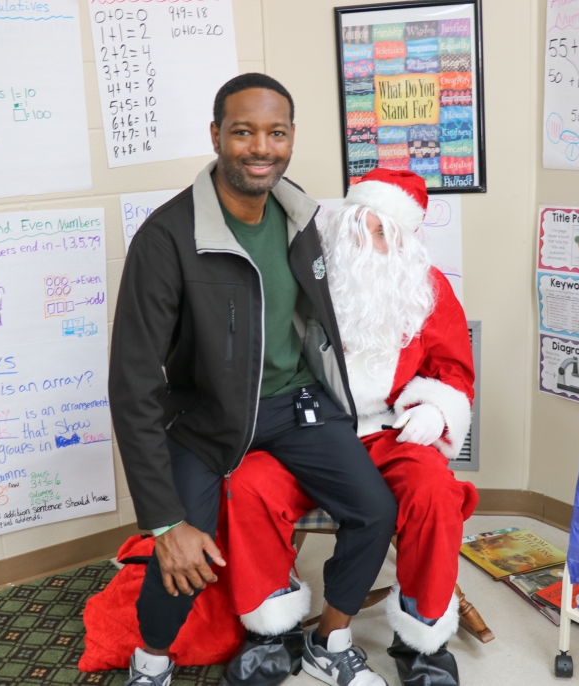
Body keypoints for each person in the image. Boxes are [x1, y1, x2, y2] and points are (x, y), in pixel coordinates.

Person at [108, 73, 396, 686]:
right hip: (206, 419)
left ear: (290, 138)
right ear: (216, 136)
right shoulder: (165, 239)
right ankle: (151, 660)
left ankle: (330, 640)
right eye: (243, 132)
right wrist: (162, 520)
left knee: (373, 510)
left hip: (295, 405)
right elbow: (132, 383)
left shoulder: (301, 217)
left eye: (275, 132)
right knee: (184, 549)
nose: (260, 147)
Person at [223, 169, 479, 686]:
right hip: (307, 427)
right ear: (343, 226)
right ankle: (272, 630)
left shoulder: (427, 291)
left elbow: (453, 370)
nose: (372, 241)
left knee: (433, 494)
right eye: (363, 226)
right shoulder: (307, 279)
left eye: (386, 231)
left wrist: (435, 408)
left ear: (407, 240)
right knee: (248, 485)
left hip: (391, 432)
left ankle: (421, 639)